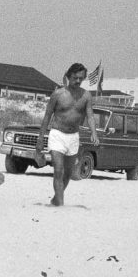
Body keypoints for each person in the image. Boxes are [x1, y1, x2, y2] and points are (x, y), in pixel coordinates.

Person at [35, 62, 100, 206]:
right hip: (57, 135)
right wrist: (40, 138)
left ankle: (56, 198)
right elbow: (47, 116)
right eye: (75, 78)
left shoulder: (86, 96)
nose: (78, 81)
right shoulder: (58, 94)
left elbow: (90, 116)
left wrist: (93, 133)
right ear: (68, 76)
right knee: (58, 169)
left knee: (68, 173)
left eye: (81, 78)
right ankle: (60, 204)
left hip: (73, 137)